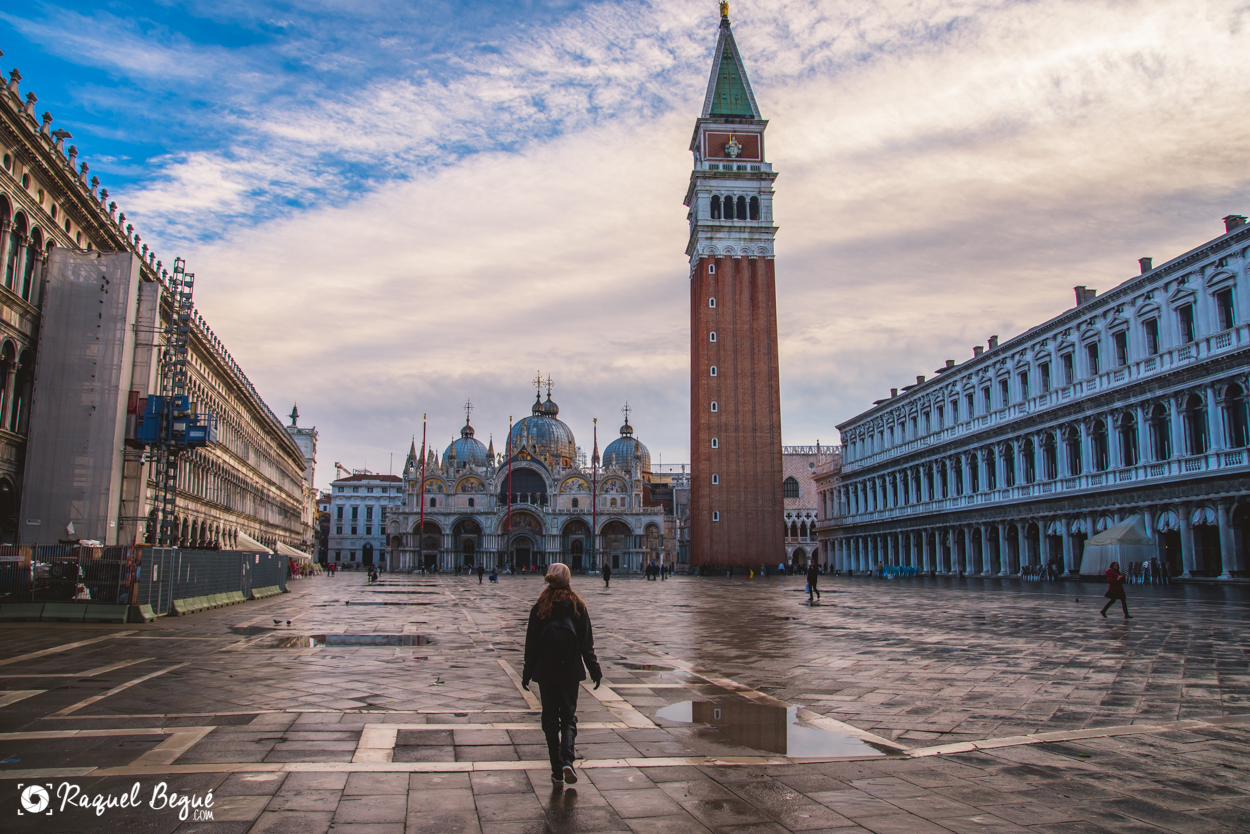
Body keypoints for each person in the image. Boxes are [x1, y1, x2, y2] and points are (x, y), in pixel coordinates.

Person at [521, 563, 602, 787]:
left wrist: (527, 673)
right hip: (570, 670)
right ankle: (568, 759)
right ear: (568, 580)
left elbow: (531, 645)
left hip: (545, 671)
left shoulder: (539, 607)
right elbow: (587, 645)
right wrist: (594, 670)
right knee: (568, 718)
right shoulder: (578, 606)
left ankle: (557, 772)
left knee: (549, 720)